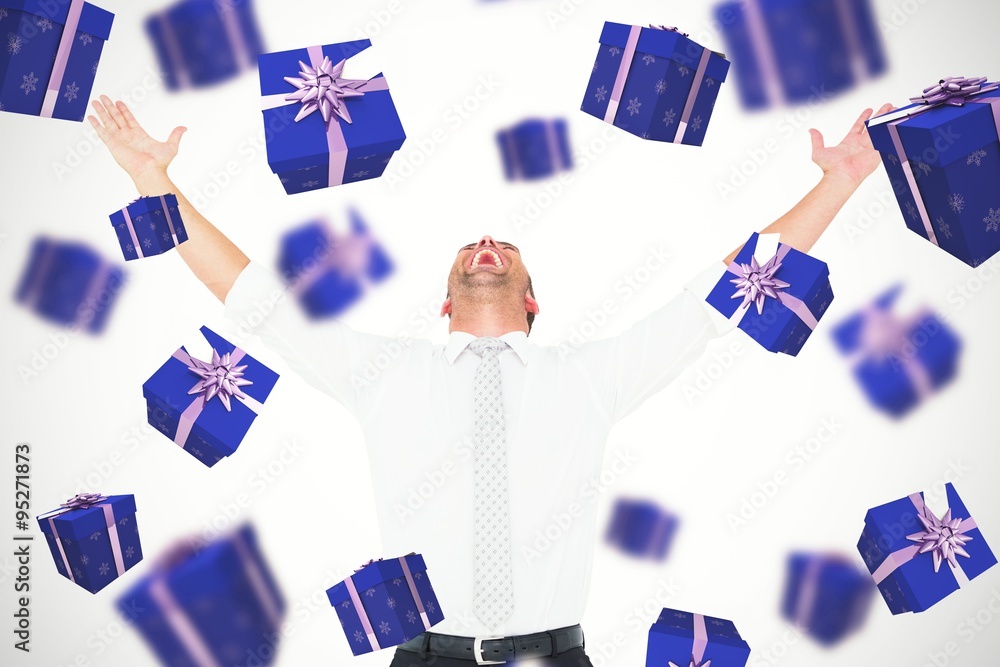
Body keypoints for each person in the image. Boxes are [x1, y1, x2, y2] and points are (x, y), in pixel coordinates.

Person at [89, 95, 892, 666]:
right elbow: (253, 298)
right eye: (473, 244)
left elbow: (726, 293)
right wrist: (151, 180)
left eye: (505, 245)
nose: (485, 242)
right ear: (444, 299)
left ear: (532, 297)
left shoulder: (593, 374)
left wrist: (842, 179)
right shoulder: (381, 372)